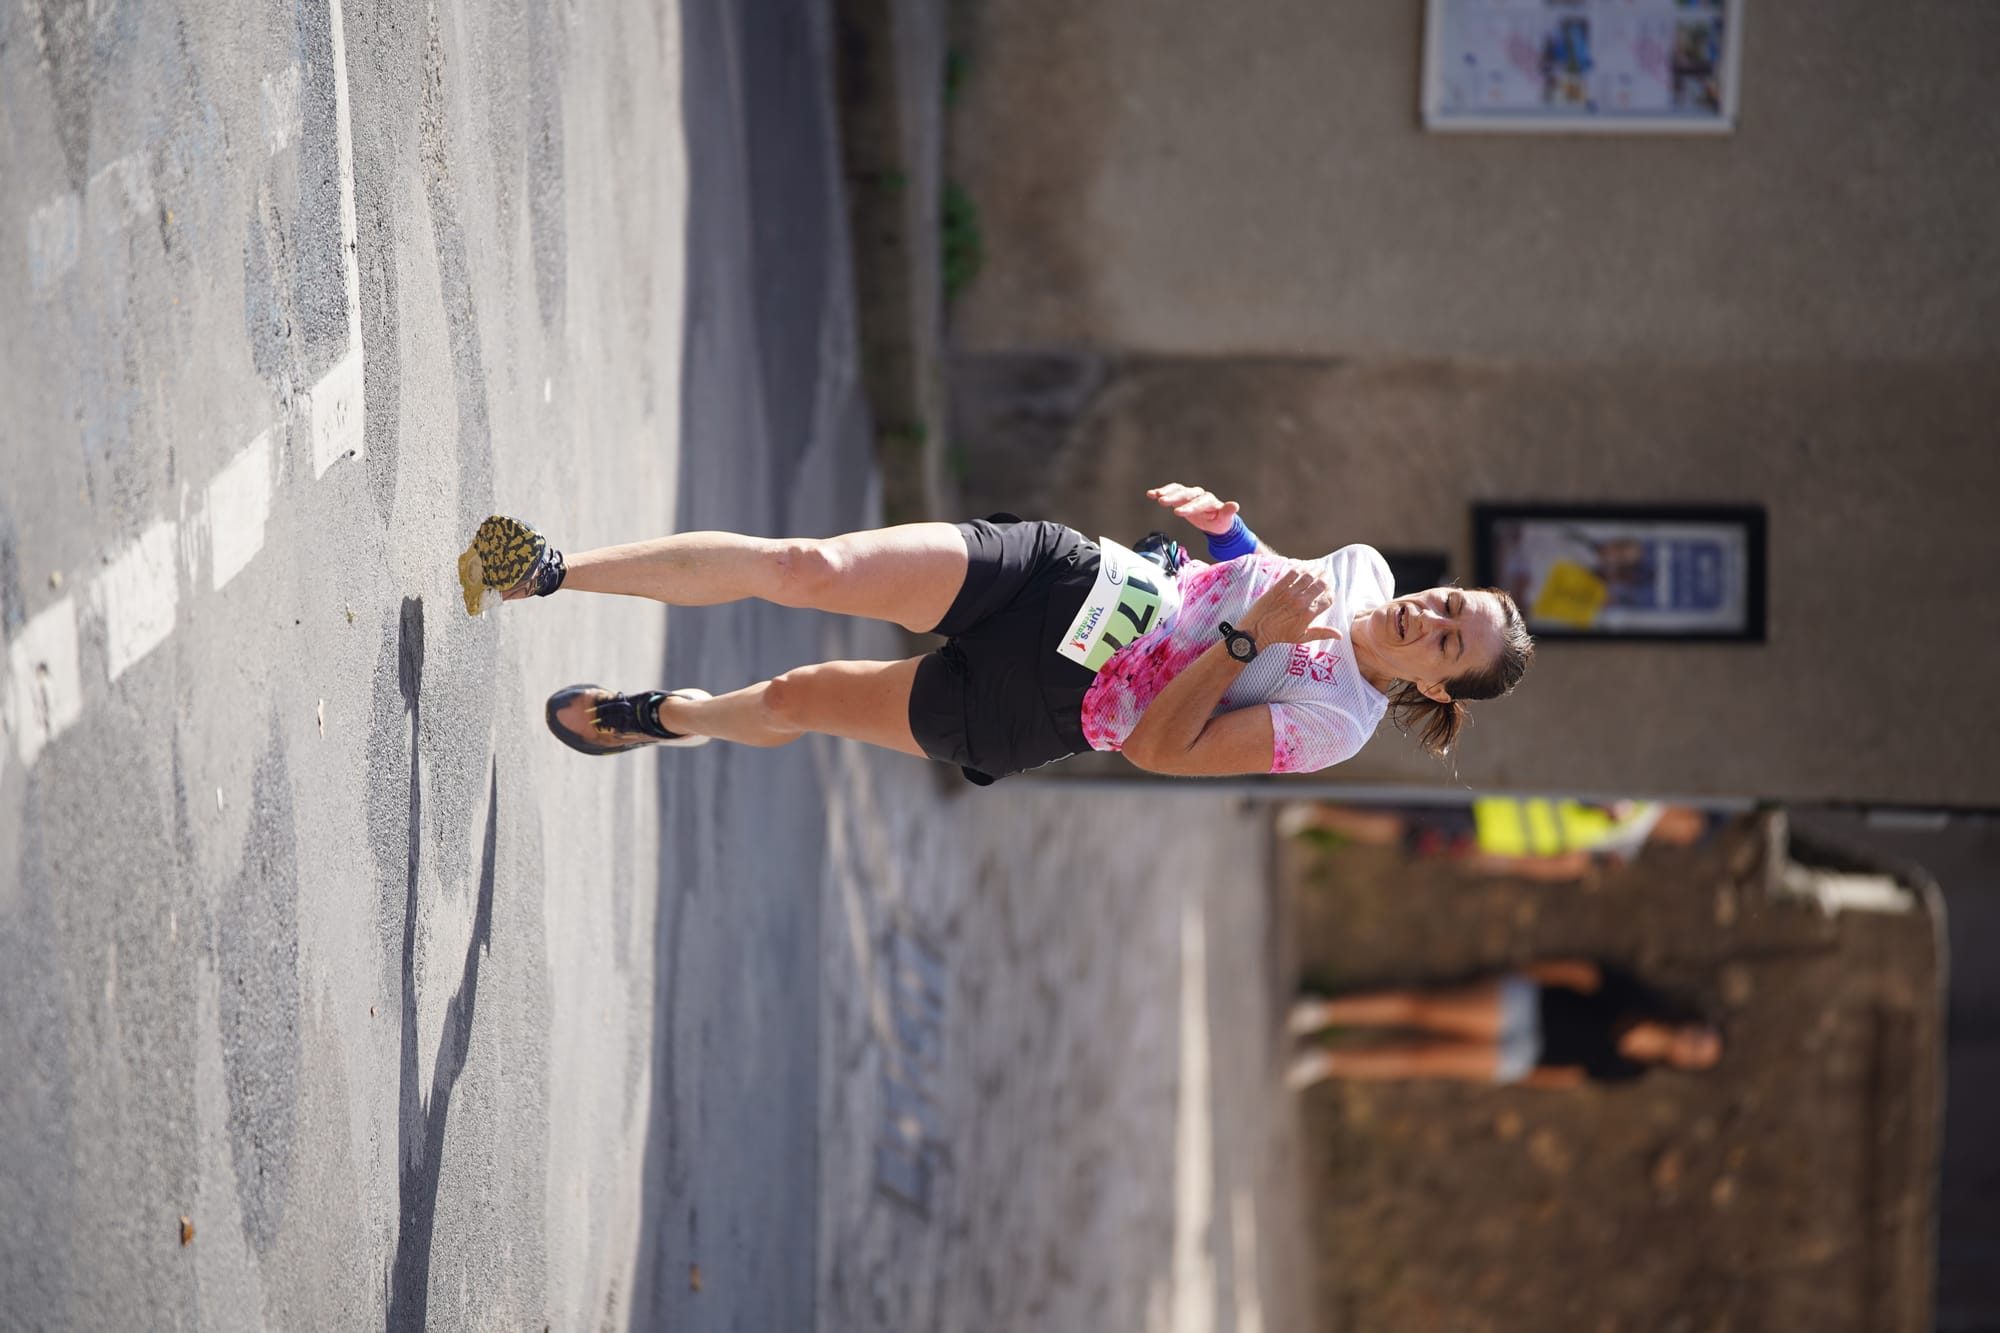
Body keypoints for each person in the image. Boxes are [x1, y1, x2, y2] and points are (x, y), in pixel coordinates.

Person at [454, 482, 1533, 784]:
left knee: (795, 696)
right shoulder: (1363, 573)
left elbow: (1159, 749)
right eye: (1452, 601)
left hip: (1044, 707)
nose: (1429, 614)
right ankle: (553, 571)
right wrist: (1226, 531)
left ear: (1435, 694)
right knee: (808, 565)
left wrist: (1245, 642)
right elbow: (1247, 575)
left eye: (1448, 641)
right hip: (1069, 581)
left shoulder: (1335, 723)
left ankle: (670, 716)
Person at [1283, 961, 1724, 1092]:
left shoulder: (1635, 1071)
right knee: (1422, 1009)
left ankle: (1325, 1062)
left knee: (1424, 1060)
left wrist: (1529, 1076)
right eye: (1700, 1040)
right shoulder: (1641, 998)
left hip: (1524, 1056)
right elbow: (1581, 974)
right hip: (1525, 1007)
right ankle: (1324, 1012)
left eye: (1697, 1057)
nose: (1691, 1048)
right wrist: (1525, 975)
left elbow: (1574, 1076)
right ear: (1693, 1024)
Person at [1277, 797, 1720, 883]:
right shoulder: (1637, 806)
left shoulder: (1628, 843)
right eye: (1691, 830)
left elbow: (1569, 863)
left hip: (1494, 832)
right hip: (1494, 801)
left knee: (1403, 829)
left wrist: (1505, 863)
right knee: (1401, 805)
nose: (1681, 837)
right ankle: (1309, 801)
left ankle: (1314, 813)